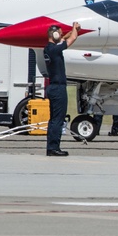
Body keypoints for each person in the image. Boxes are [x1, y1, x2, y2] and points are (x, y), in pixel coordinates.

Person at [43, 22, 80, 156]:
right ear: (55, 34)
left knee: (54, 120)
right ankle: (54, 148)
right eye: (60, 32)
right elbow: (72, 39)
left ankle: (51, 147)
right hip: (58, 88)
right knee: (58, 119)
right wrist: (75, 28)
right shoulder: (54, 50)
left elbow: (64, 39)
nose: (62, 35)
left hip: (53, 86)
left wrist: (71, 31)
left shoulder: (48, 48)